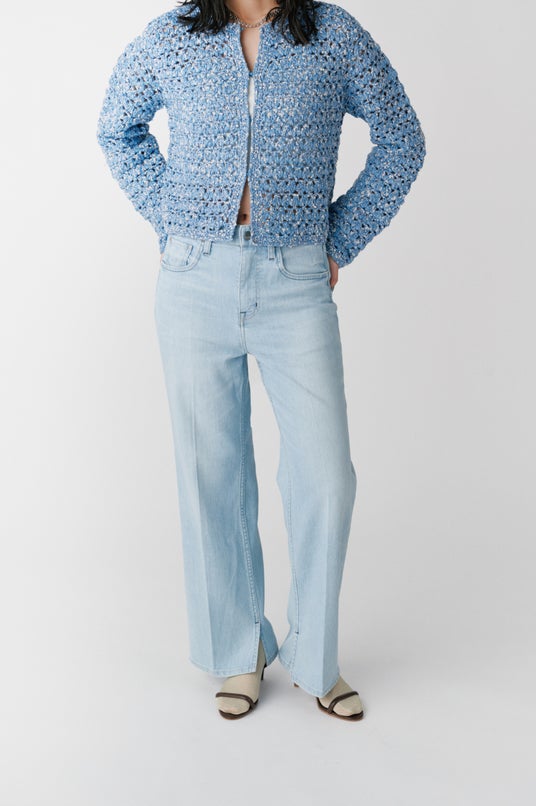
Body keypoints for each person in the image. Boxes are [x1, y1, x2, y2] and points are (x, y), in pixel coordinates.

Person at [96, 0, 426, 721]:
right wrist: (174, 216)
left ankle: (314, 656)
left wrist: (339, 239)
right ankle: (237, 651)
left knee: (326, 476)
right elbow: (116, 128)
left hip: (295, 279)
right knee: (209, 471)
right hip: (193, 280)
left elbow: (403, 139)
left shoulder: (333, 34)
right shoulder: (173, 37)